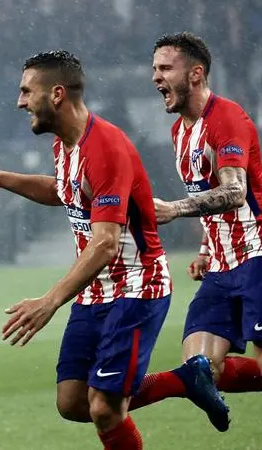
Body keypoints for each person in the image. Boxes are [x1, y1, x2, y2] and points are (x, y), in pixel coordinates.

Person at [0, 50, 177, 449]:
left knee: (104, 408)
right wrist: (1, 177)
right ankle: (187, 380)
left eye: (27, 91)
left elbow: (106, 243)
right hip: (96, 289)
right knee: (72, 401)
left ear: (57, 94)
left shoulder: (106, 147)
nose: (20, 101)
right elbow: (65, 192)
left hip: (137, 287)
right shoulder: (65, 144)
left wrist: (50, 301)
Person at [128, 31, 262, 431]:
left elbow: (235, 191)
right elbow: (206, 190)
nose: (155, 77)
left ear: (196, 74)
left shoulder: (226, 118)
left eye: (166, 68)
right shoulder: (179, 132)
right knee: (201, 369)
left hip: (258, 254)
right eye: (154, 68)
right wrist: (206, 246)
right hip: (221, 266)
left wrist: (174, 209)